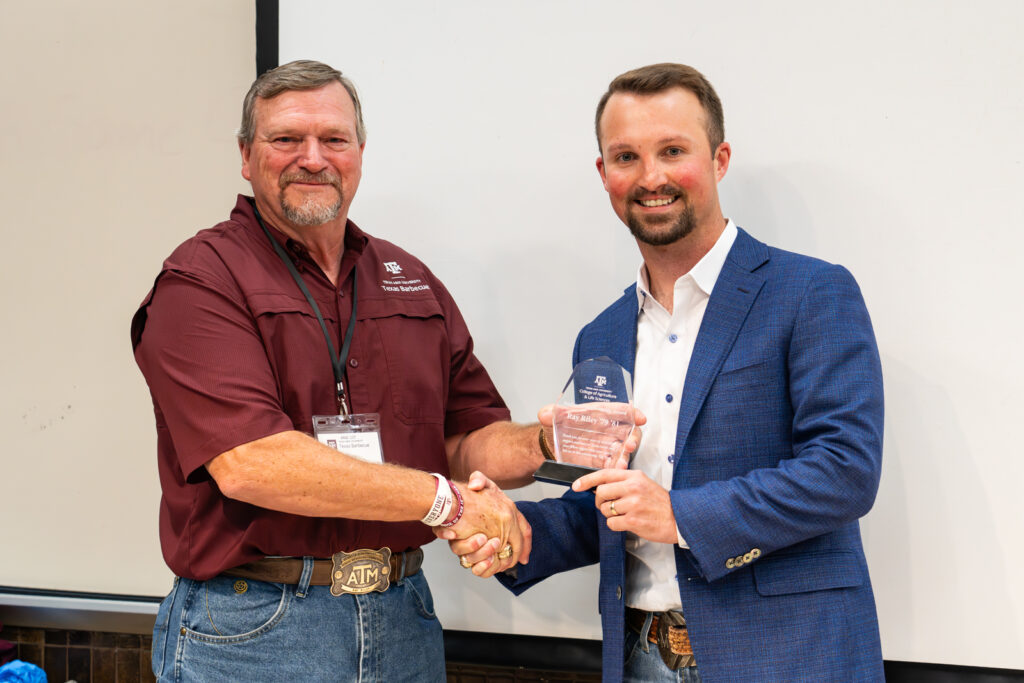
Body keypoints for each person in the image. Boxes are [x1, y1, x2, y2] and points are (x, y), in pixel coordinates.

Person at [444, 63, 885, 682]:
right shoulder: (599, 336)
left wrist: (679, 515)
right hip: (638, 657)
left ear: (719, 158)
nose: (651, 178)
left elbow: (845, 471)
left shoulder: (812, 292)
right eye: (626, 156)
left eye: (673, 151)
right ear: (604, 174)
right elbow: (599, 505)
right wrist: (510, 530)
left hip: (788, 656)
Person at [131, 60, 540, 682]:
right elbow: (251, 463)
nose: (313, 158)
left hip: (404, 619)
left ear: (359, 152)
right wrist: (448, 506)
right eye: (286, 139)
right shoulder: (203, 279)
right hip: (258, 632)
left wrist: (549, 443)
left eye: (334, 139)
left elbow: (464, 442)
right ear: (246, 155)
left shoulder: (410, 280)